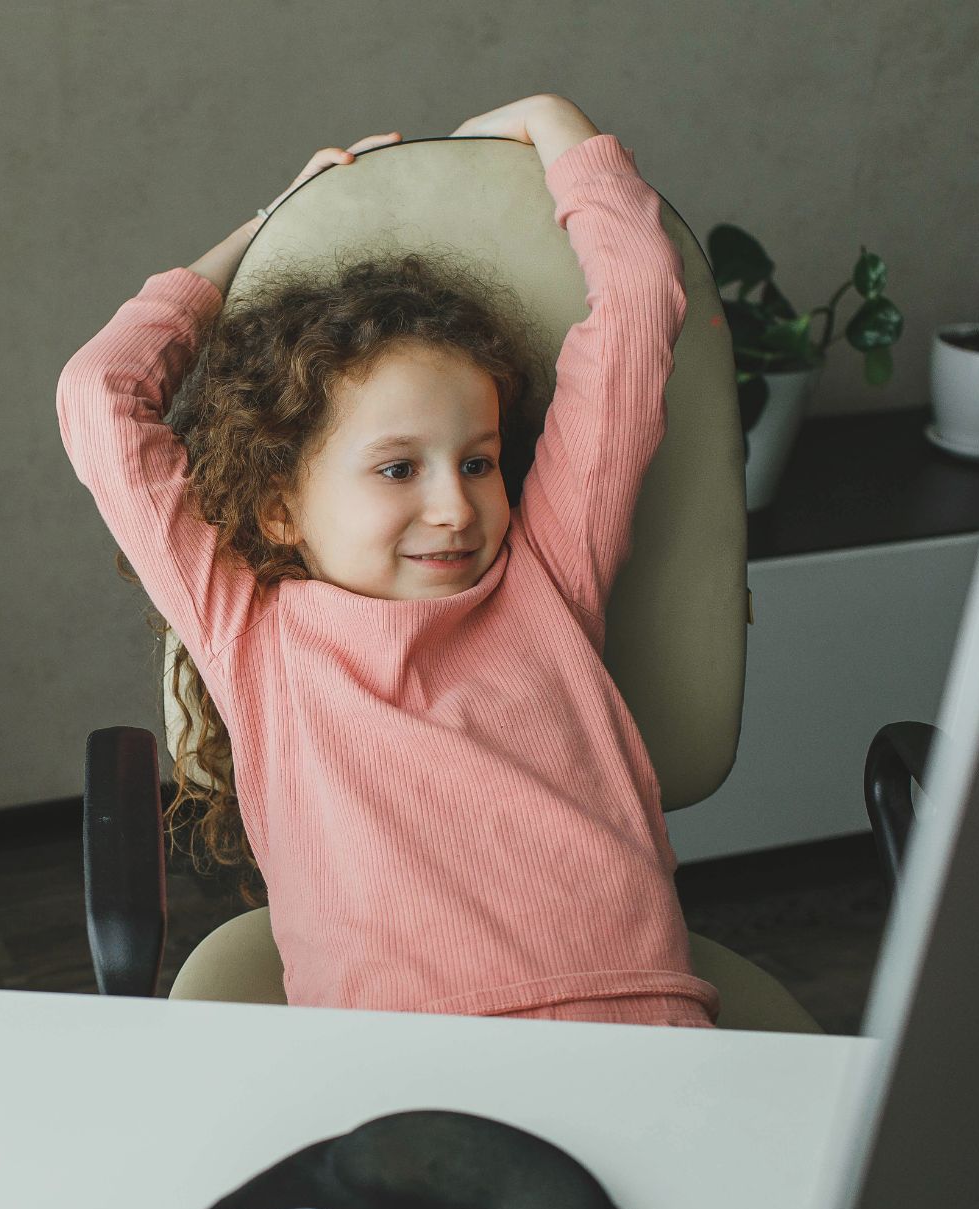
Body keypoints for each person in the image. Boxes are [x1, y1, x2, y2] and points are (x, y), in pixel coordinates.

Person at [55, 94, 717, 1027]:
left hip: (635, 1024)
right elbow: (99, 394)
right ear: (282, 505)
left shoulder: (548, 576)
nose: (454, 506)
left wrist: (551, 121)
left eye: (479, 462)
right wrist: (268, 227)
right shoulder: (253, 634)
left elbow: (642, 296)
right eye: (399, 467)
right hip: (393, 1054)